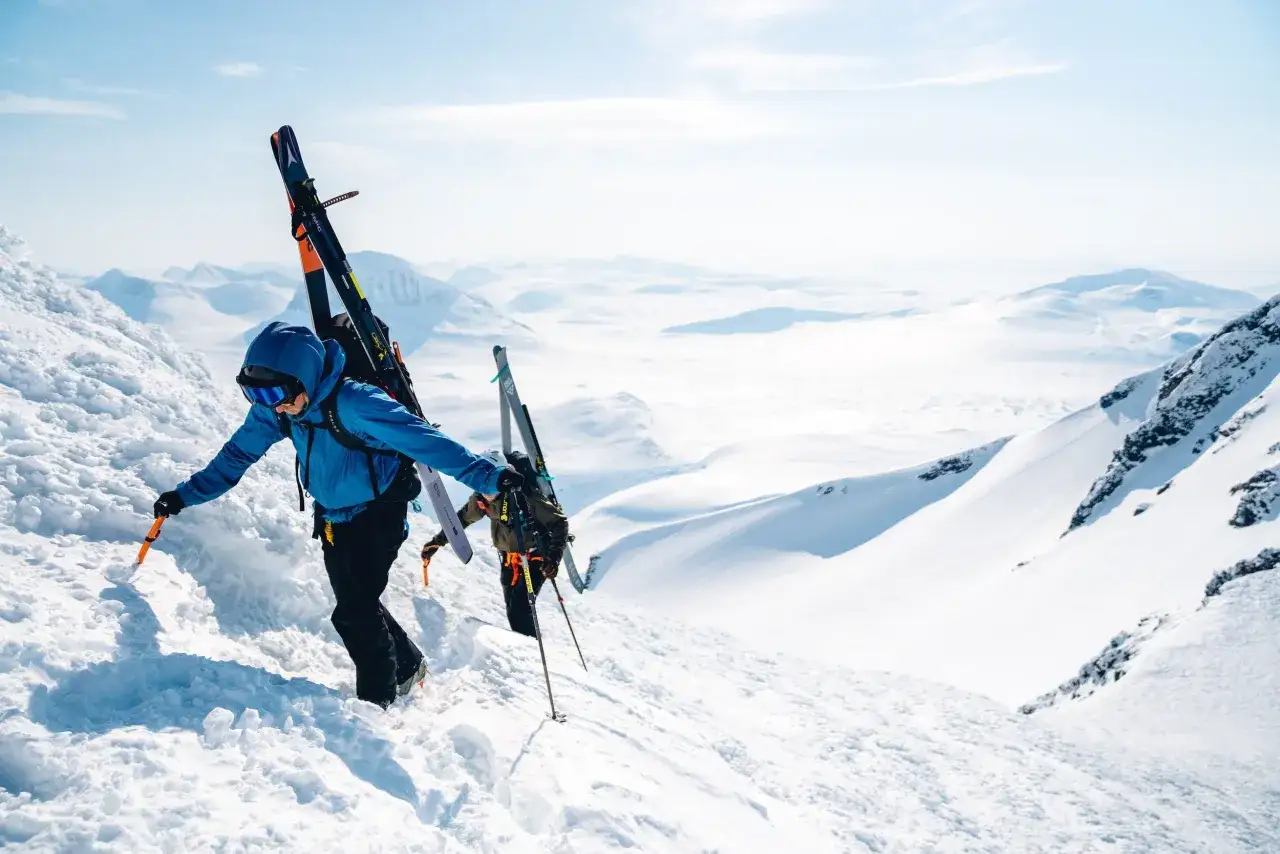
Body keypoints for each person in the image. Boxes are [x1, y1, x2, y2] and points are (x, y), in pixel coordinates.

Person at [152, 322, 523, 710]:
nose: (272, 404)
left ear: (305, 378)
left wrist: (490, 477)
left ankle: (376, 704)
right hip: (331, 516)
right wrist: (184, 496)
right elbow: (235, 457)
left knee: (353, 613)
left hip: (379, 513)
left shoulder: (357, 404)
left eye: (277, 393)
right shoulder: (276, 411)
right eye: (255, 395)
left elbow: (428, 444)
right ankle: (409, 667)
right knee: (356, 599)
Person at [420, 450, 568, 638]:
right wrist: (437, 542)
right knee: (513, 609)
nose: (485, 491)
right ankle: (526, 647)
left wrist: (553, 558)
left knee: (520, 610)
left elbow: (559, 523)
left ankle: (530, 651)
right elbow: (462, 520)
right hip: (508, 559)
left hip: (535, 557)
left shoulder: (524, 495)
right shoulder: (481, 499)